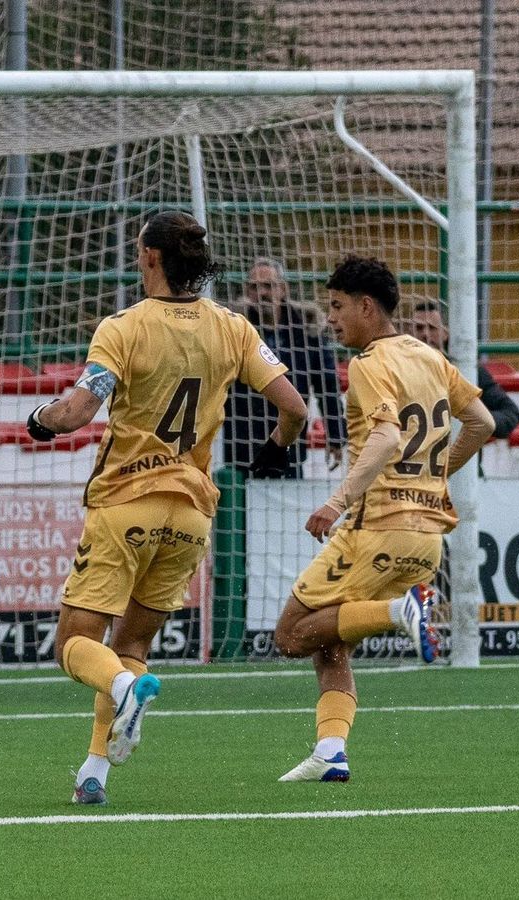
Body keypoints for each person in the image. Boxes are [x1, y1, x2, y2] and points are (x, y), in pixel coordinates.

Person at [26, 210, 308, 806]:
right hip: (191, 514)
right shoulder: (233, 327)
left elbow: (77, 412)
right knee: (131, 646)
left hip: (127, 504)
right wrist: (274, 450)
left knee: (75, 643)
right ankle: (94, 773)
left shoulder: (123, 327)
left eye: (139, 252)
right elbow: (295, 408)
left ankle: (124, 691)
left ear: (151, 258)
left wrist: (39, 420)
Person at [273, 256, 494, 783]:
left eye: (337, 306)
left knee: (291, 635)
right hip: (428, 537)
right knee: (330, 643)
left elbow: (388, 435)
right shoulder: (431, 356)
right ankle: (331, 750)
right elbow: (481, 423)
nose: (331, 318)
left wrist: (336, 502)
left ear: (367, 307)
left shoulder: (370, 363)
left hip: (377, 528)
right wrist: (435, 476)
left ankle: (401, 610)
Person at [224, 258, 347, 477]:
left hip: (289, 447)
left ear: (283, 289)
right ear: (247, 291)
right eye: (254, 287)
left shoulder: (307, 329)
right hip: (243, 446)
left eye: (268, 286)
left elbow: (327, 385)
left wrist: (335, 436)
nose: (262, 293)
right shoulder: (234, 329)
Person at [404, 300, 519, 439]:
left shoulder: (468, 371)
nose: (425, 334)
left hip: (459, 449)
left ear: (445, 333)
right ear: (409, 332)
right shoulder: (399, 368)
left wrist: (476, 418)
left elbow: (511, 414)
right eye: (419, 328)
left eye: (432, 328)